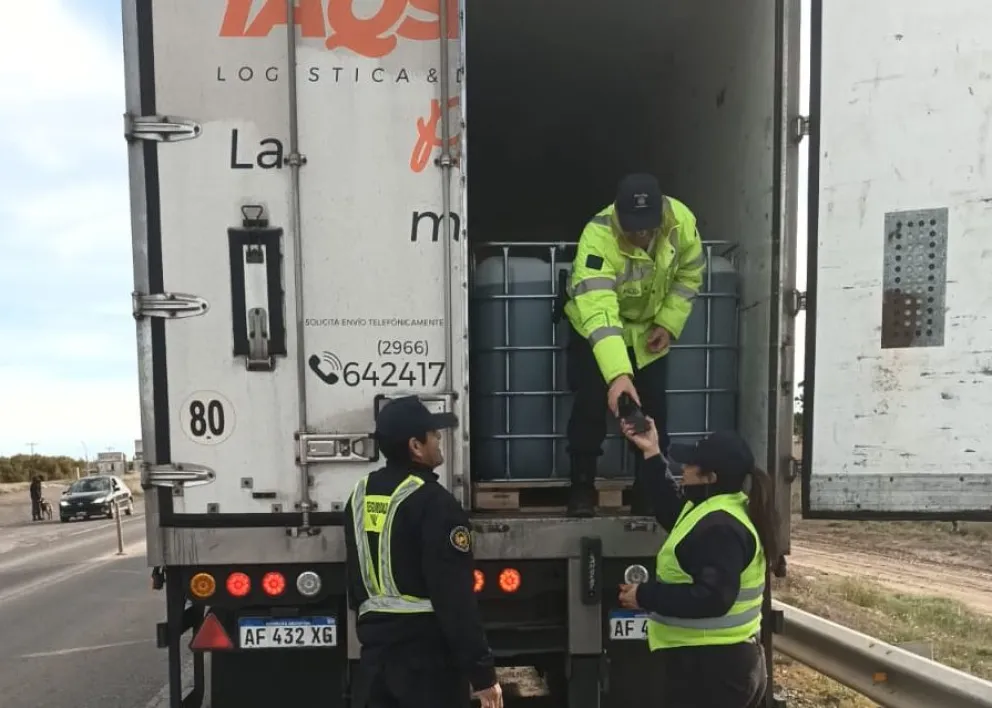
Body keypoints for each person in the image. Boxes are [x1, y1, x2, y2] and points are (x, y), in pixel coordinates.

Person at [344, 395, 503, 708]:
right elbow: (455, 600)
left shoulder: (360, 495)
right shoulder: (435, 504)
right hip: (428, 669)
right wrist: (483, 676)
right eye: (433, 434)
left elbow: (356, 581)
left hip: (375, 664)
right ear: (416, 446)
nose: (439, 439)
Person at [562, 173, 705, 516]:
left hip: (647, 331)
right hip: (596, 331)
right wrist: (617, 376)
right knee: (590, 407)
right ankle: (582, 488)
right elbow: (599, 313)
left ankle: (649, 489)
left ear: (661, 215)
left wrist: (668, 324)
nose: (640, 236)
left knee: (654, 411)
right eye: (632, 228)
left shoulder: (681, 223)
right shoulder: (597, 237)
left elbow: (689, 275)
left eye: (647, 227)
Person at [616, 417, 779, 708]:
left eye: (691, 466)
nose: (683, 470)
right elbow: (670, 508)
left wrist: (645, 595)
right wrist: (651, 451)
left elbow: (713, 598)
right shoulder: (718, 507)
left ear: (710, 477)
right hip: (722, 665)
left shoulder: (720, 528)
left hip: (716, 673)